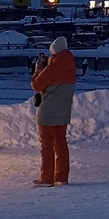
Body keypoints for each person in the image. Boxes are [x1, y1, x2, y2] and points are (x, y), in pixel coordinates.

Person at [32, 36, 77, 186]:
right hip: (63, 111)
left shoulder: (53, 67)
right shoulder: (70, 65)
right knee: (61, 143)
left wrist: (39, 70)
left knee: (46, 144)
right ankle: (61, 177)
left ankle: (46, 178)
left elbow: (37, 86)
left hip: (48, 110)